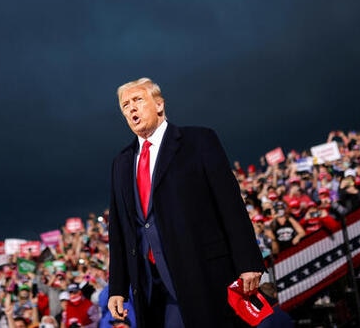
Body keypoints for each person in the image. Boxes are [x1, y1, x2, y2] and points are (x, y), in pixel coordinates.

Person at [107, 78, 265, 327]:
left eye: (137, 100)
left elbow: (230, 204)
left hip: (203, 275)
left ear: (159, 105)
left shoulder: (198, 141)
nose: (131, 108)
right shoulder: (122, 162)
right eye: (125, 105)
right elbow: (118, 229)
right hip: (151, 288)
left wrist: (248, 262)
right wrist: (117, 287)